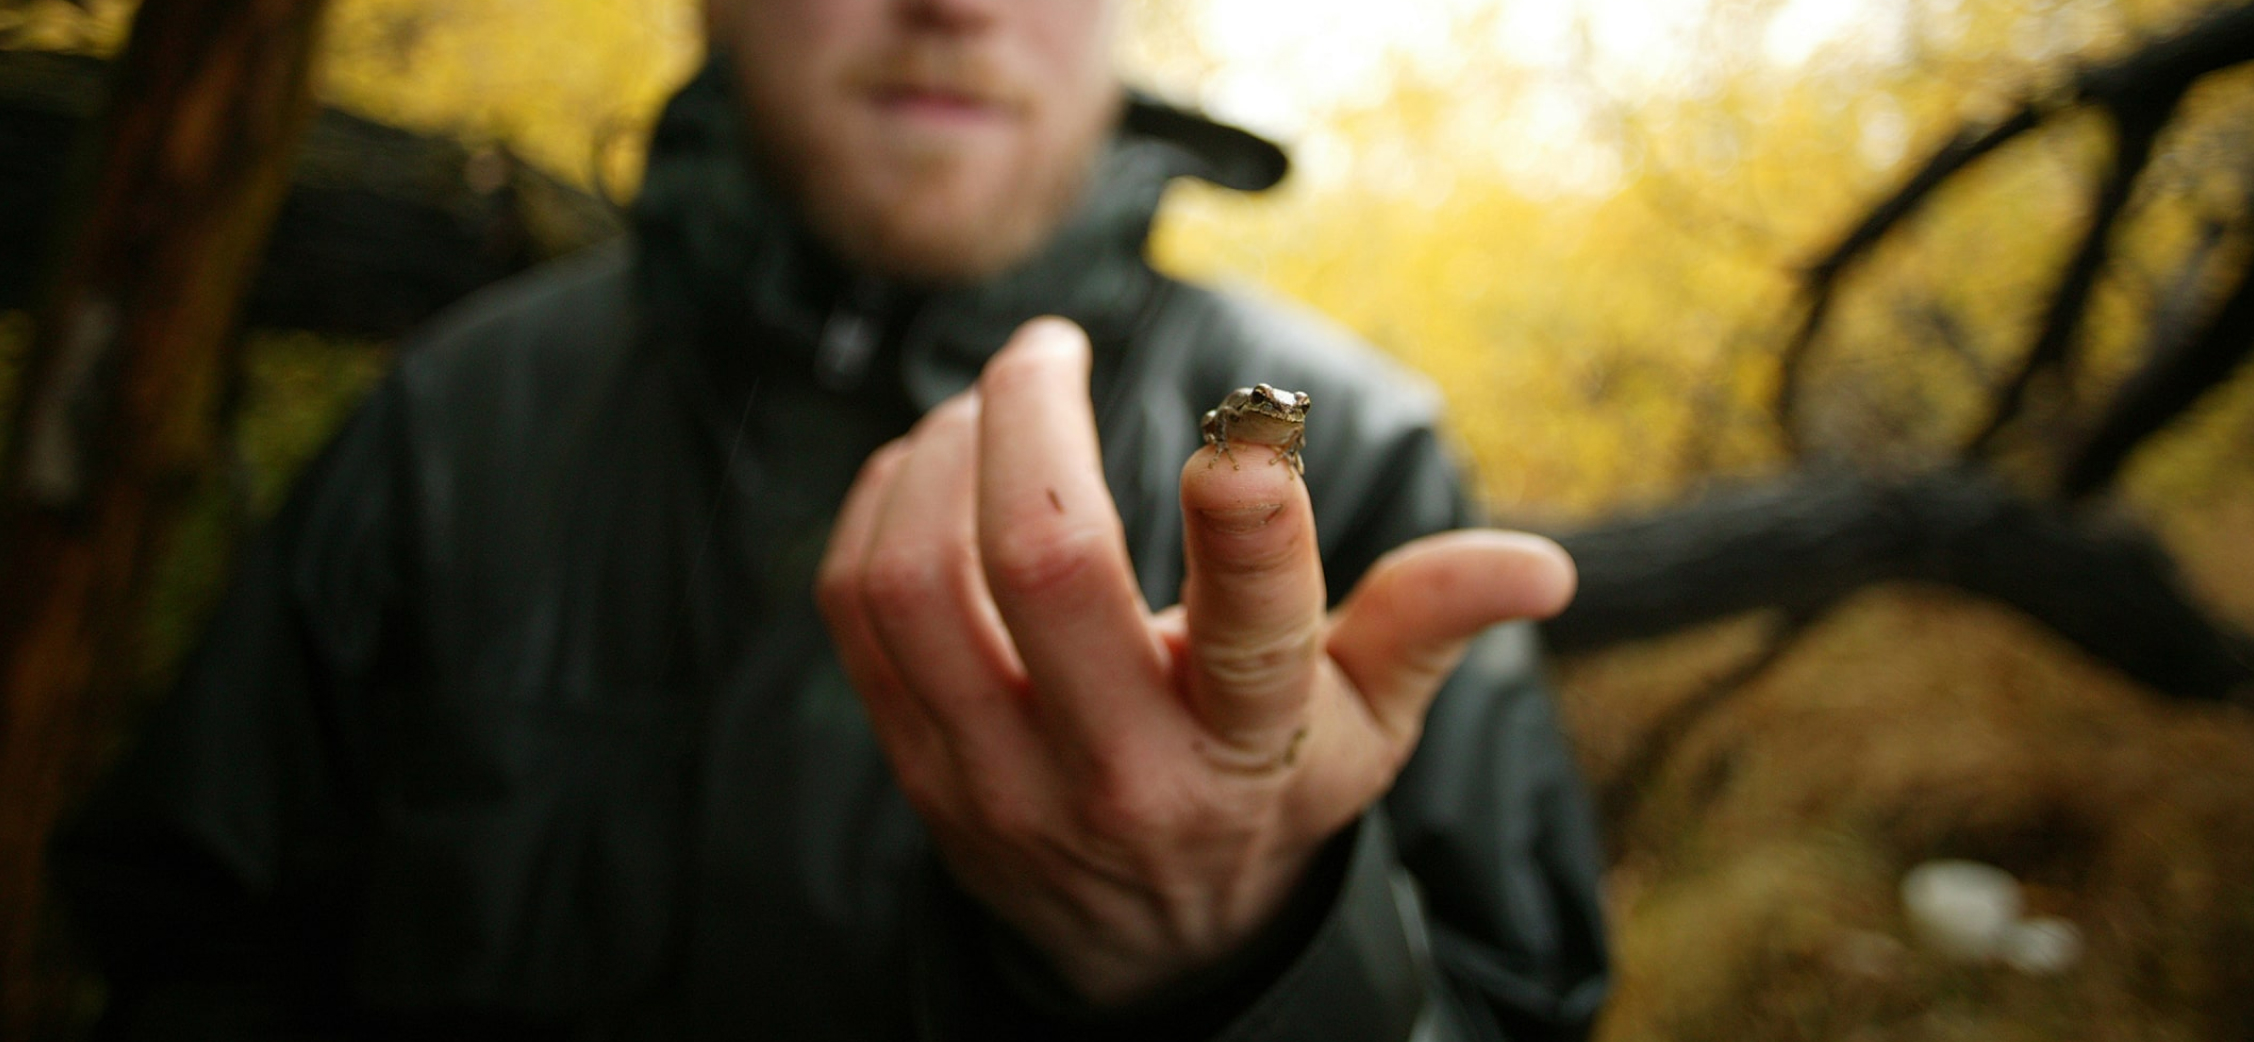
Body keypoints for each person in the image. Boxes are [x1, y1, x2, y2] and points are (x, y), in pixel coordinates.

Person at [55, 0, 1610, 1038]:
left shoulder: (1361, 449)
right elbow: (187, 935)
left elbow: (1517, 1001)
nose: (949, 2)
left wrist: (1243, 953)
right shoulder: (455, 416)